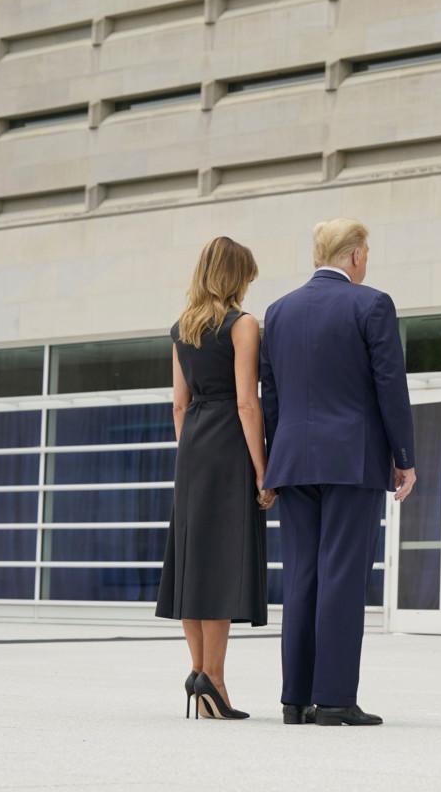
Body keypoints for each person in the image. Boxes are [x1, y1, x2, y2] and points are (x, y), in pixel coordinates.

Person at [260, 217, 416, 727]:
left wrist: (273, 460)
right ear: (353, 256)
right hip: (352, 459)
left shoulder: (278, 312)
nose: (367, 261)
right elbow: (389, 384)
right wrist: (405, 456)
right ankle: (334, 701)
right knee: (343, 577)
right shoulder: (371, 303)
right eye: (366, 252)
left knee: (302, 575)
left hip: (294, 460)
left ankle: (295, 699)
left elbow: (273, 397)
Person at [156, 235, 275, 720]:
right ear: (237, 275)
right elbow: (248, 402)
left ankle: (198, 671)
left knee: (193, 561)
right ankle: (216, 683)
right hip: (229, 445)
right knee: (222, 561)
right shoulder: (242, 325)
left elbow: (178, 405)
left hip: (194, 449)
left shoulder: (180, 329)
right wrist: (263, 470)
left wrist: (191, 450)